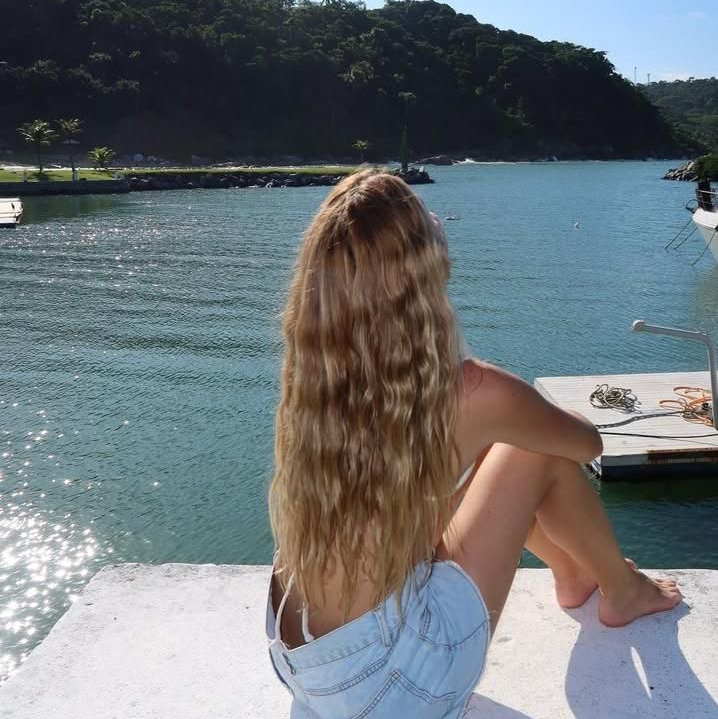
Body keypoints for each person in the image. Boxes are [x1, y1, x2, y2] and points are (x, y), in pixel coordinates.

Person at [266, 170, 682, 718]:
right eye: (424, 214)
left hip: (304, 662)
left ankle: (575, 574)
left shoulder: (314, 378)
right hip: (393, 688)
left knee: (484, 451)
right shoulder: (471, 392)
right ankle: (621, 589)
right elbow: (587, 446)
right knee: (532, 447)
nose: (438, 217)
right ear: (421, 273)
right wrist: (546, 414)